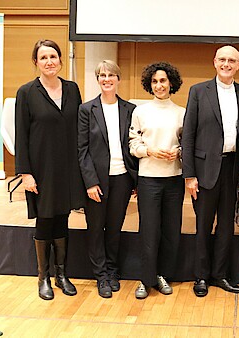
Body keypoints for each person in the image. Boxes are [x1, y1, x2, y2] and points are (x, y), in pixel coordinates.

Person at [15, 39, 85, 300]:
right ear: (36, 62)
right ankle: (43, 277)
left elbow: (79, 128)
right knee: (45, 220)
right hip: (40, 168)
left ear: (60, 60)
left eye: (53, 56)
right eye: (43, 57)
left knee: (62, 218)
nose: (49, 62)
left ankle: (62, 275)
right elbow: (21, 135)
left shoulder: (72, 89)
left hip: (67, 167)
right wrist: (25, 173)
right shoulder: (26, 92)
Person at [182, 46, 239, 297]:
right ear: (214, 62)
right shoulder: (199, 91)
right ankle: (200, 276)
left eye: (232, 60)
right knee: (203, 225)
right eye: (222, 59)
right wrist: (189, 175)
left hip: (232, 169)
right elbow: (188, 134)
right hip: (204, 170)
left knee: (226, 227)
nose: (227, 64)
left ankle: (220, 274)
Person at [78, 60, 138, 298]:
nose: (106, 79)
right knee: (95, 229)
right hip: (97, 182)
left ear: (118, 79)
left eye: (111, 75)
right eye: (102, 75)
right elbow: (81, 149)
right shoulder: (86, 110)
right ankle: (101, 275)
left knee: (114, 228)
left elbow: (133, 145)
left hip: (122, 178)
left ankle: (112, 271)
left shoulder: (130, 109)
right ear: (98, 79)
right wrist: (90, 182)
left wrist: (134, 180)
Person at [129, 62, 185, 299]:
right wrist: (149, 151)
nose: (159, 85)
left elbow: (188, 144)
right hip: (149, 179)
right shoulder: (140, 111)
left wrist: (179, 152)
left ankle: (163, 275)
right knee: (149, 231)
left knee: (171, 231)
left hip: (174, 180)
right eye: (154, 81)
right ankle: (146, 278)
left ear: (171, 83)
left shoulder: (182, 112)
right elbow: (133, 144)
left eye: (163, 81)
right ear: (149, 85)